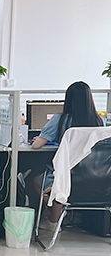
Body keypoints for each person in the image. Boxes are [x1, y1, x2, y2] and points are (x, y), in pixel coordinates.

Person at [31, 81, 103, 227]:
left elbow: (36, 146)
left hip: (65, 174)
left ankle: (53, 219)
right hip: (93, 175)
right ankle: (61, 216)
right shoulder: (99, 121)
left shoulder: (60, 119)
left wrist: (39, 138)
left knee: (37, 180)